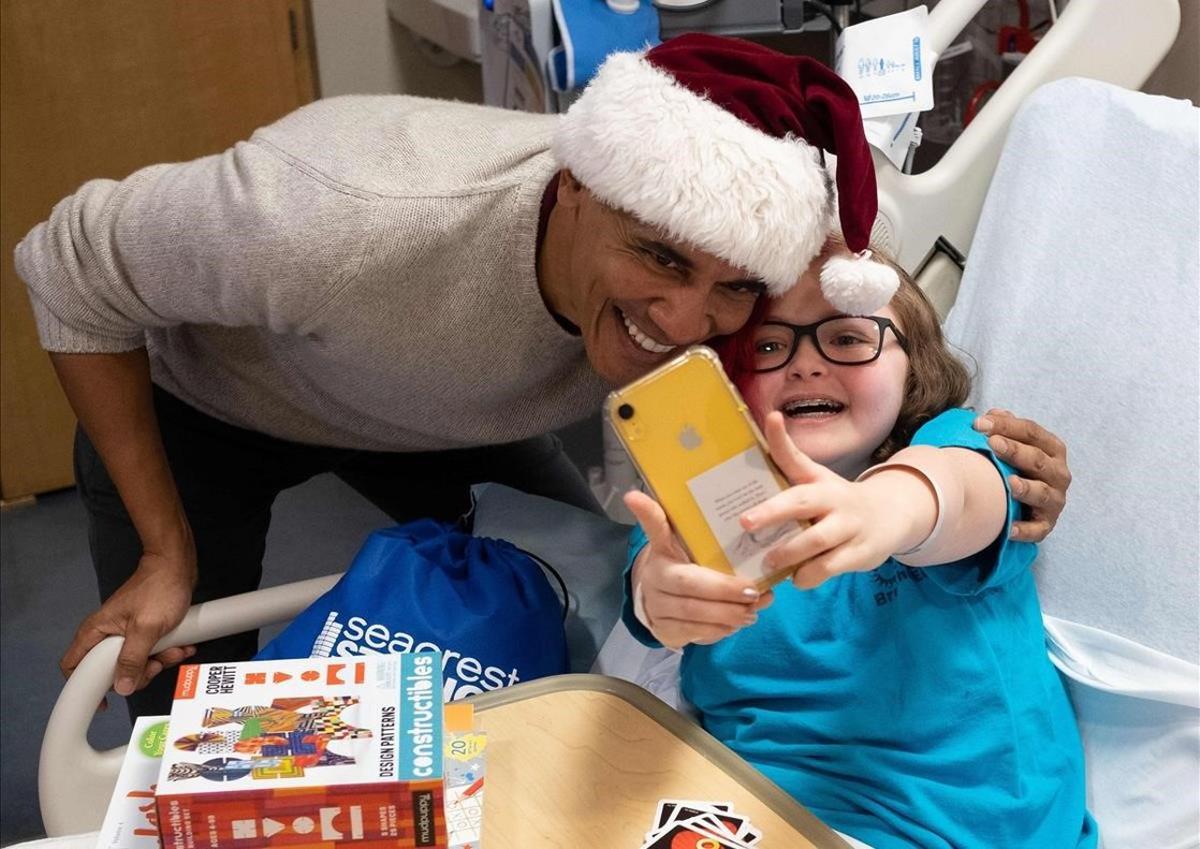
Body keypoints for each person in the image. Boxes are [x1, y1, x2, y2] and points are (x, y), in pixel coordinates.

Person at [14, 34, 1071, 719]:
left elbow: (866, 389)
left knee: (604, 558)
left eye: (733, 290)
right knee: (185, 700)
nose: (686, 323)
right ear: (571, 189)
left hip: (453, 405)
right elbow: (65, 263)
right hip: (211, 405)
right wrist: (163, 551)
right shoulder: (329, 217)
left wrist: (984, 479)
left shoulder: (732, 304)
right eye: (658, 257)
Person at [623, 238, 1096, 849]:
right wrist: (660, 599)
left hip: (958, 831)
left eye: (847, 338)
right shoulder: (692, 501)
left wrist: (881, 509)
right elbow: (651, 585)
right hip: (757, 815)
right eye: (768, 345)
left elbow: (957, 491)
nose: (805, 364)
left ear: (914, 365)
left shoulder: (952, 444)